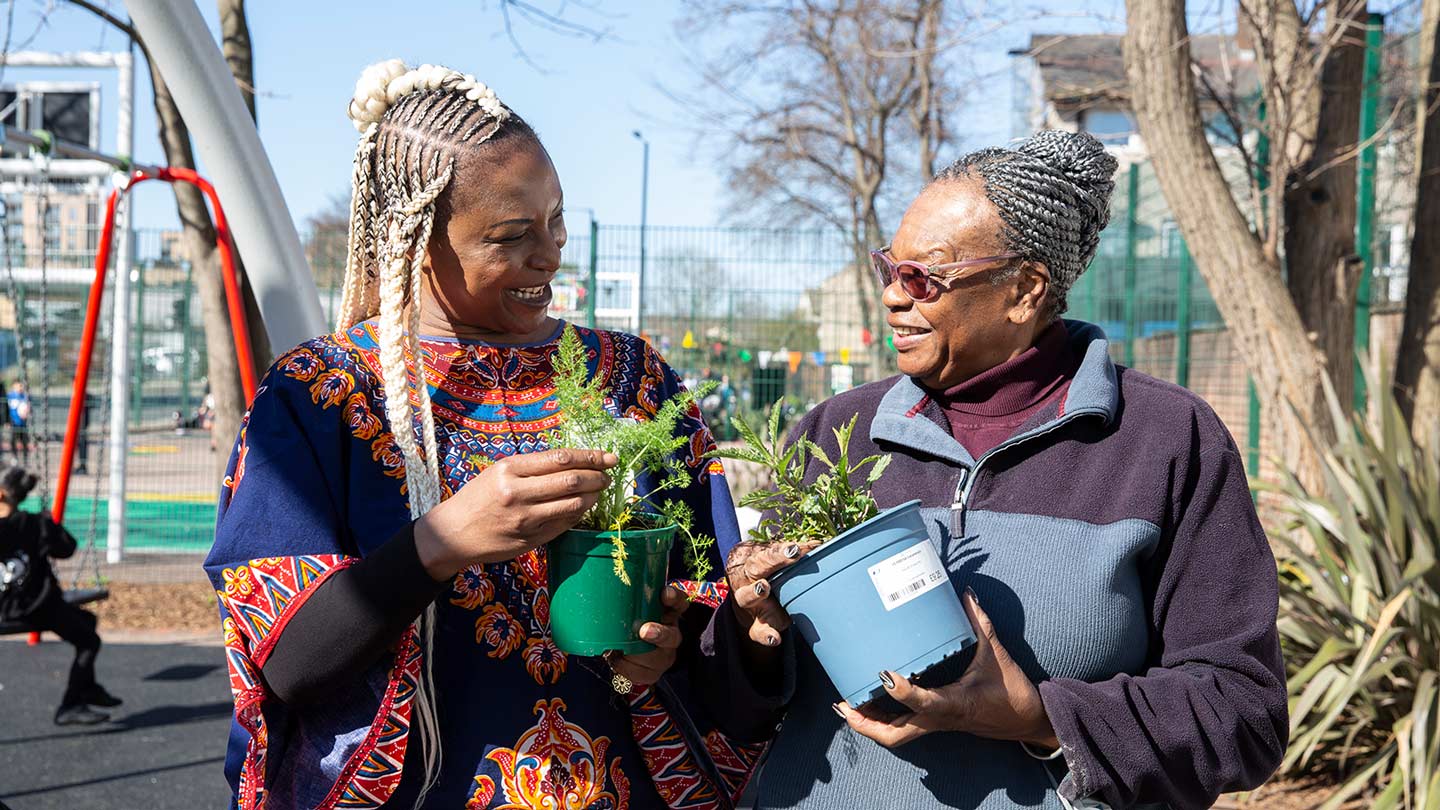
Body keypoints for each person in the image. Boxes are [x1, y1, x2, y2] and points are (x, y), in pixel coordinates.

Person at [204, 60, 758, 809]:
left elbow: (709, 609)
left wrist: (659, 652)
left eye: (556, 218)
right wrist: (441, 542)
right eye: (509, 235)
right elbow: (287, 664)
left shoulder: (631, 378)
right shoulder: (321, 393)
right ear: (415, 243)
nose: (550, 251)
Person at [698, 131, 1288, 810]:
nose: (893, 295)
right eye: (889, 267)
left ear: (1025, 290)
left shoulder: (1163, 441)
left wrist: (1041, 718)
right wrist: (751, 636)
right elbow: (728, 707)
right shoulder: (838, 434)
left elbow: (1242, 713)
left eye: (923, 277)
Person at [0, 459, 122, 725]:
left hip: (7, 609)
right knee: (90, 641)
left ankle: (85, 689)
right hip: (39, 608)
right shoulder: (34, 524)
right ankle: (71, 704)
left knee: (87, 621)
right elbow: (67, 548)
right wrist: (49, 523)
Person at [7, 380, 31, 461]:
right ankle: (15, 458)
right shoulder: (9, 396)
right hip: (14, 422)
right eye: (19, 386)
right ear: (14, 386)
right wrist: (7, 421)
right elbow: (6, 408)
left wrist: (27, 411)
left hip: (23, 423)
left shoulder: (25, 397)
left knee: (24, 441)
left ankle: (25, 459)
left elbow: (29, 408)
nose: (21, 388)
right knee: (13, 441)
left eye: (21, 386)